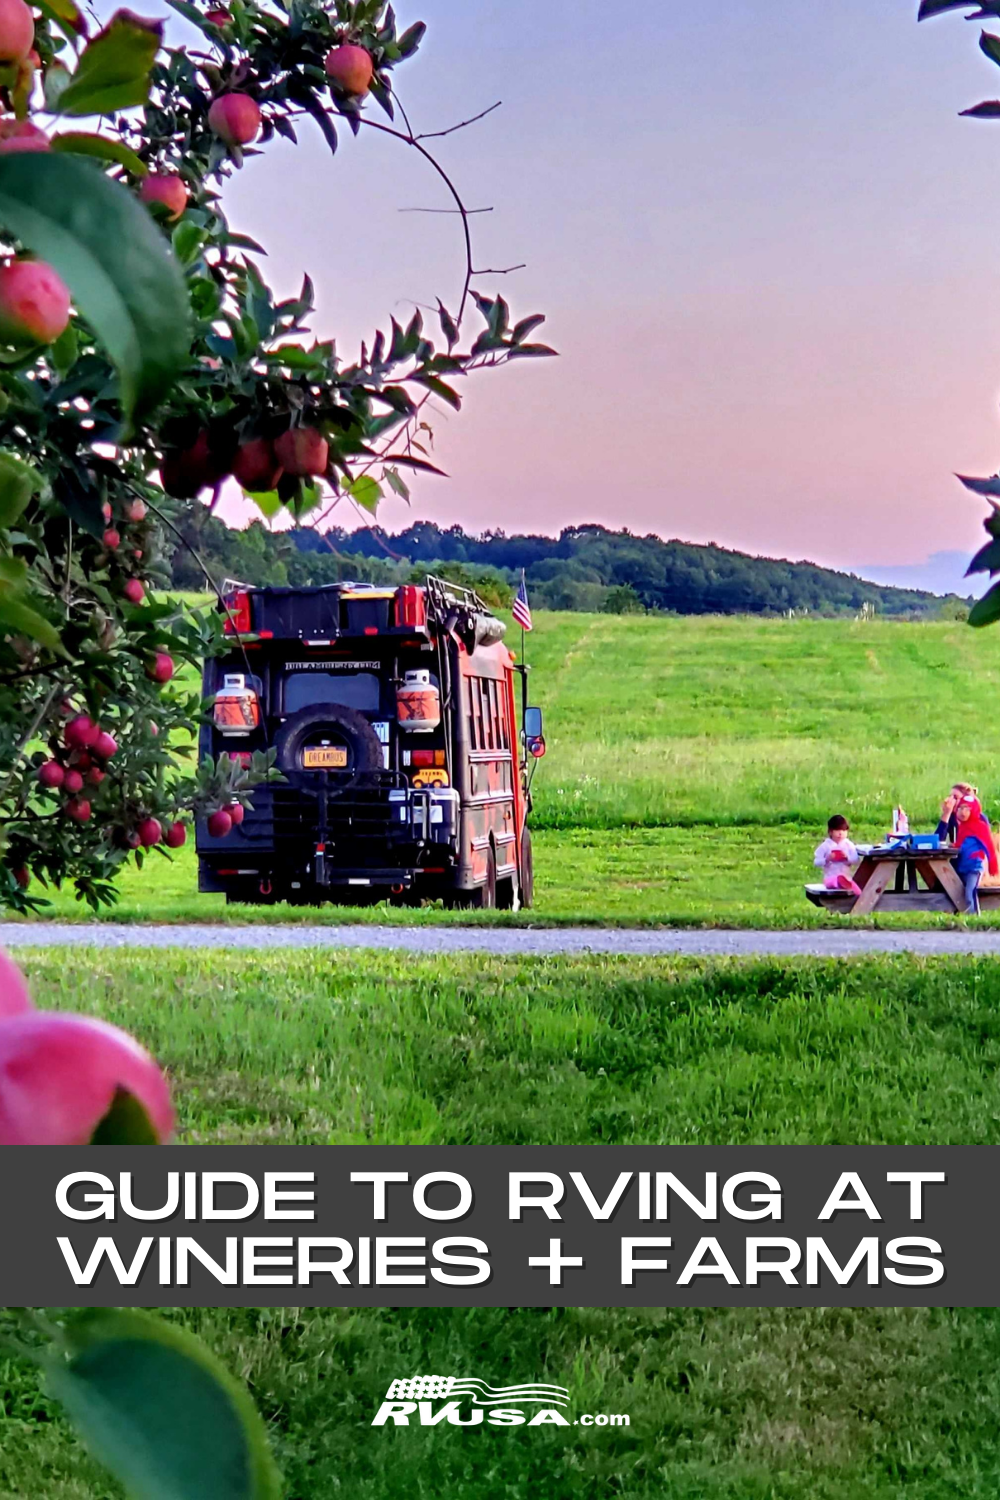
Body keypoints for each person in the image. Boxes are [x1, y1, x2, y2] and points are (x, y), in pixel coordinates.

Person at [936, 792, 998, 914]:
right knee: (959, 889)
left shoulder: (980, 826)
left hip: (975, 865)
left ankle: (974, 915)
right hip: (963, 866)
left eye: (967, 809)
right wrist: (954, 846)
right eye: (960, 808)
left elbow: (989, 847)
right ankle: (962, 913)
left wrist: (993, 866)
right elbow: (960, 842)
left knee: (971, 890)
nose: (963, 812)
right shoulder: (963, 827)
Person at [814, 815, 862, 897]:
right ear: (830, 832)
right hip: (830, 878)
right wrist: (827, 859)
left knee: (858, 892)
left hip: (846, 878)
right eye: (837, 830)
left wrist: (847, 858)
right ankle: (839, 882)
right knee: (834, 882)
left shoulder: (848, 845)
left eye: (844, 830)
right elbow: (816, 862)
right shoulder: (826, 845)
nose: (841, 833)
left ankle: (857, 898)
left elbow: (856, 859)